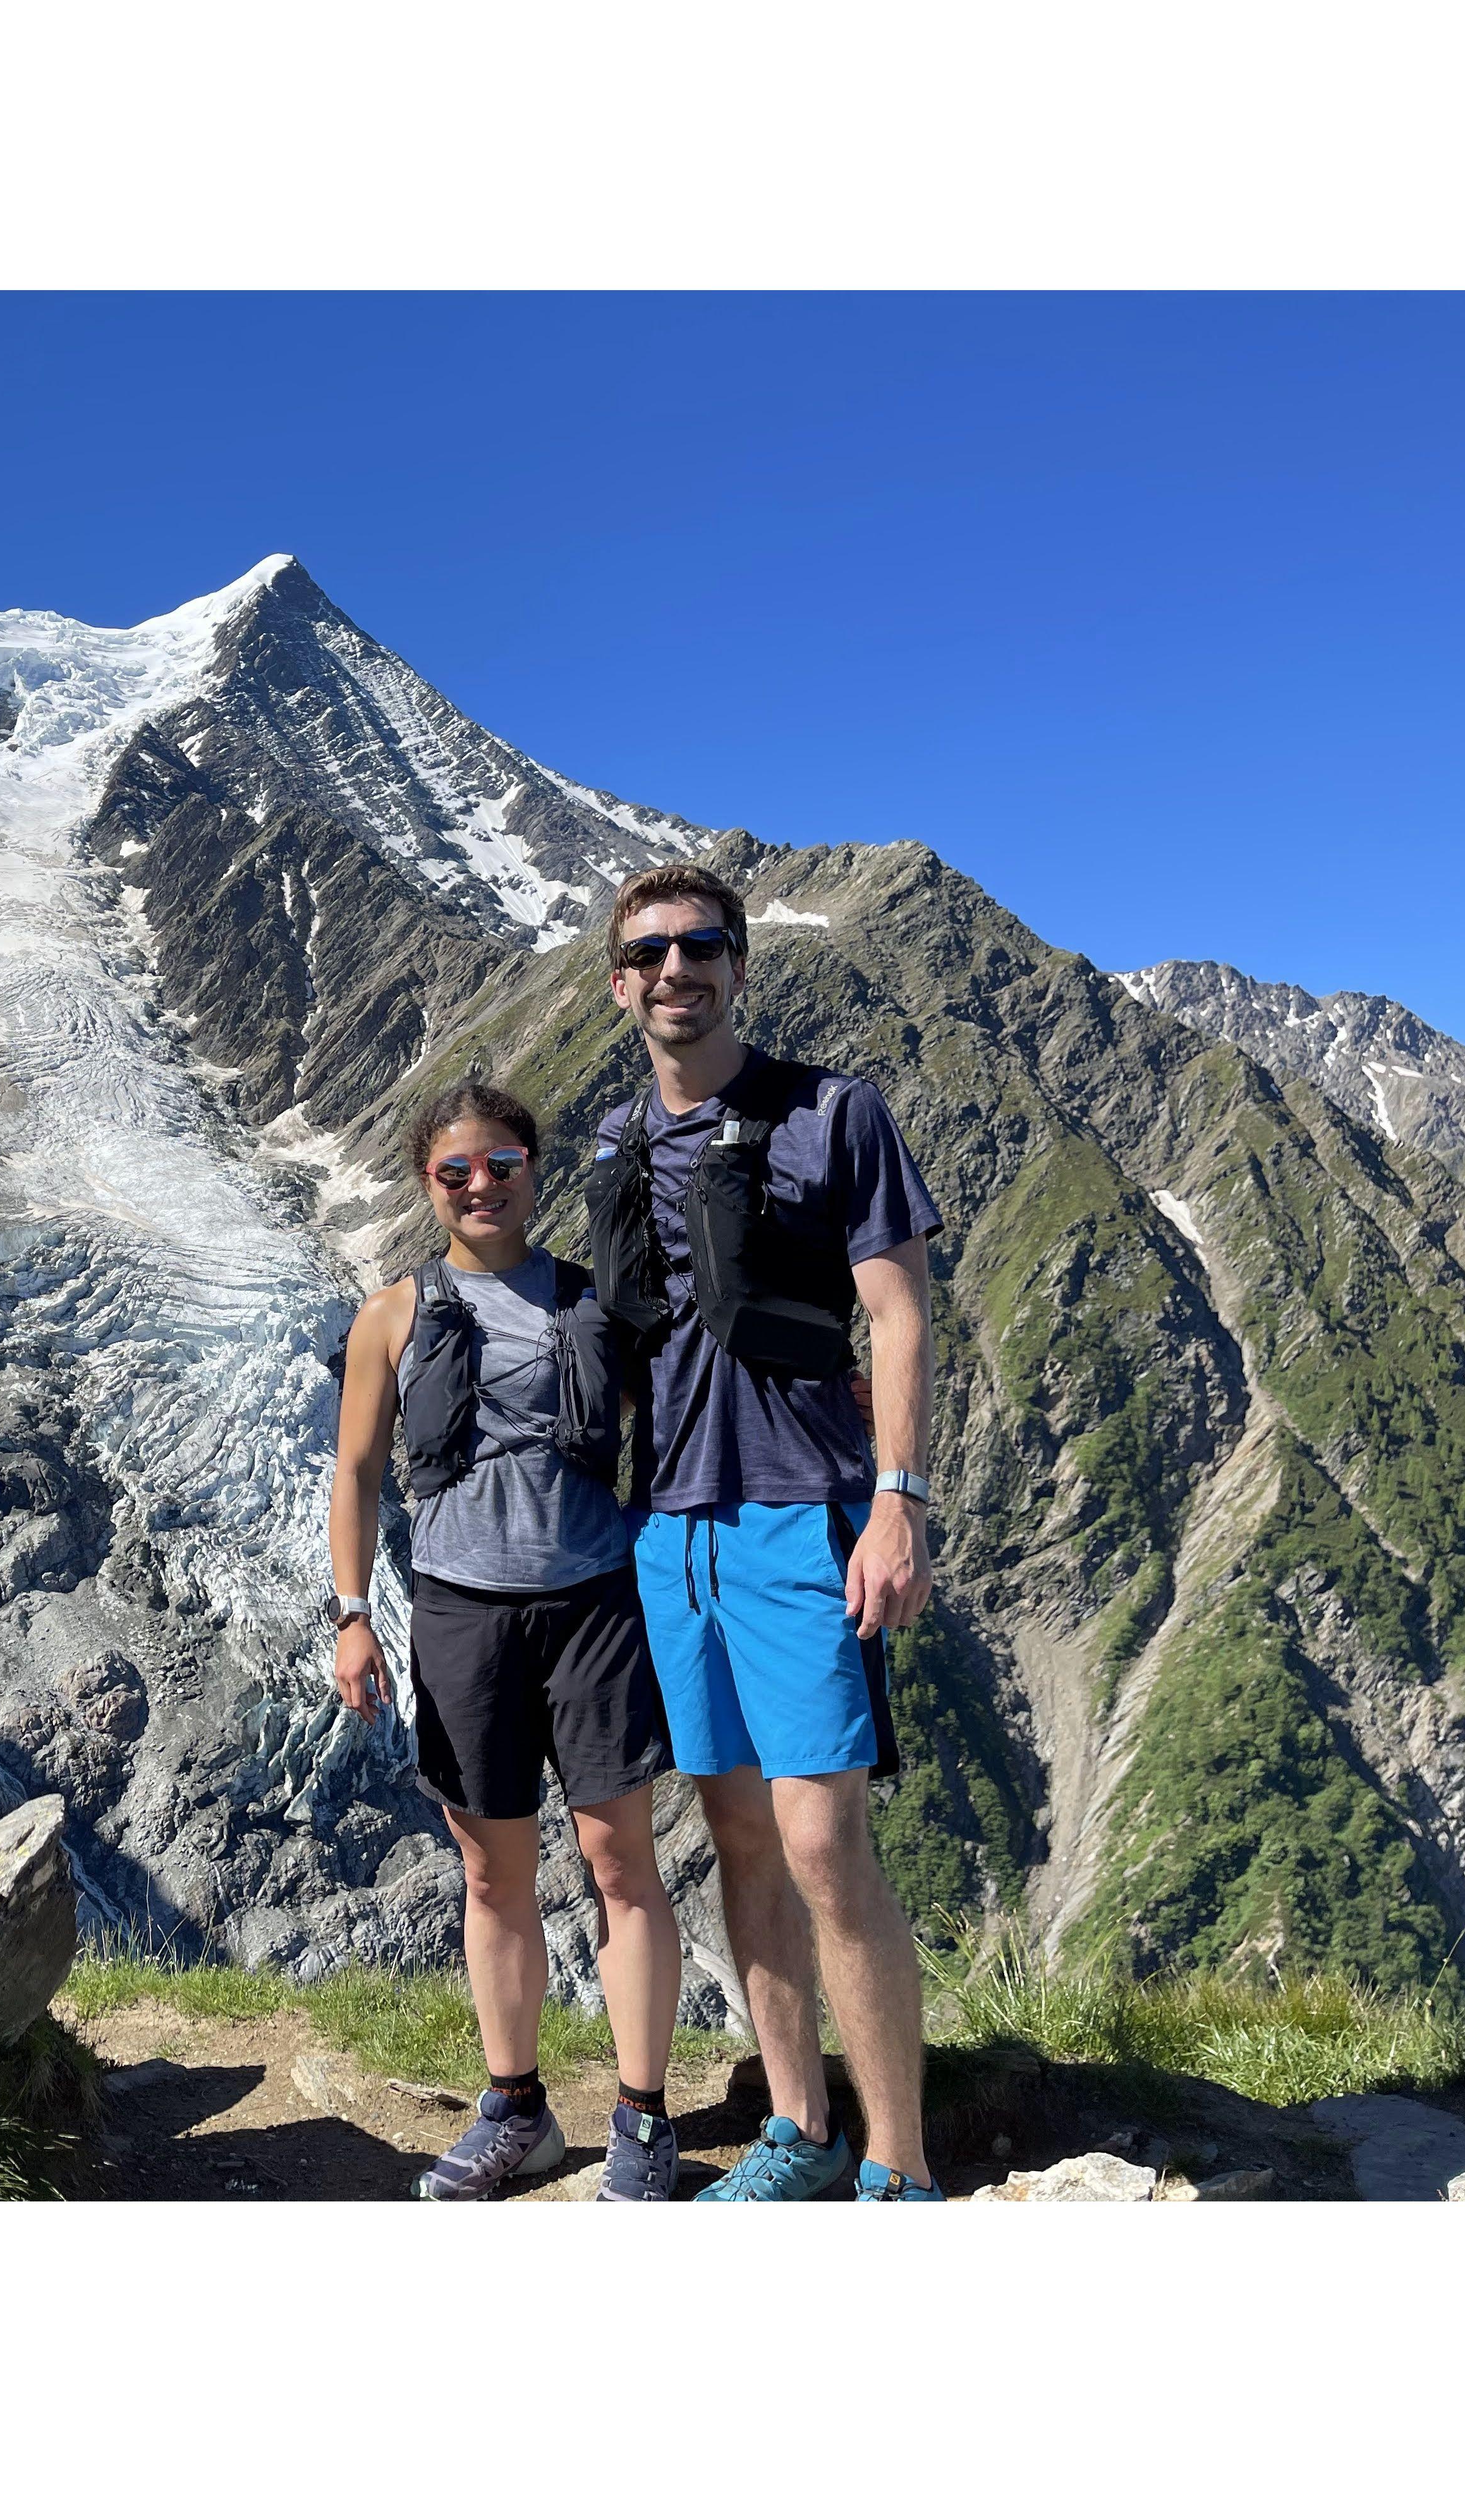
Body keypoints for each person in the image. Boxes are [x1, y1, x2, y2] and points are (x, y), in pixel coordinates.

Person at [597, 861, 946, 2201]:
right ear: (622, 982)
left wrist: (901, 1502)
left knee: (820, 1841)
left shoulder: (832, 1114)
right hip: (672, 1531)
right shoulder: (624, 1145)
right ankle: (801, 2129)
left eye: (698, 948)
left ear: (739, 966)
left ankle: (901, 2168)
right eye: (649, 954)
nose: (674, 972)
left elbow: (901, 1311)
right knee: (738, 1836)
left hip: (803, 1515)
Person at [329, 1080, 682, 2201]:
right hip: (460, 1612)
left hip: (592, 1605)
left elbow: (688, 1406)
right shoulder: (392, 1314)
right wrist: (350, 1614)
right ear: (427, 1184)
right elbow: (357, 1471)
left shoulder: (592, 1300)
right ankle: (516, 2110)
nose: (483, 1185)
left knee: (623, 1864)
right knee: (494, 1875)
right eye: (456, 1171)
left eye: (504, 1164)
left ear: (535, 1168)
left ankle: (640, 2116)